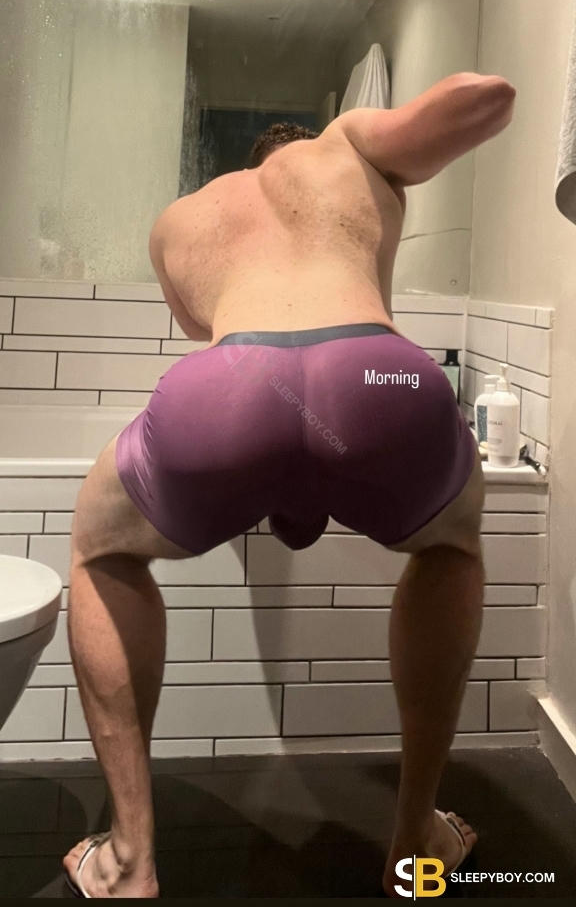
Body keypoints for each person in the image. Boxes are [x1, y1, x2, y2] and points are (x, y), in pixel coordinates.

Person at [62, 71, 516, 898]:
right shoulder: (346, 145)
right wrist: (436, 130)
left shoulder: (181, 218)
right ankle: (414, 841)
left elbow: (212, 336)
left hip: (232, 388)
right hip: (378, 382)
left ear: (245, 166)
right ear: (306, 143)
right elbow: (486, 96)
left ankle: (128, 858)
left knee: (100, 548)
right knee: (450, 546)